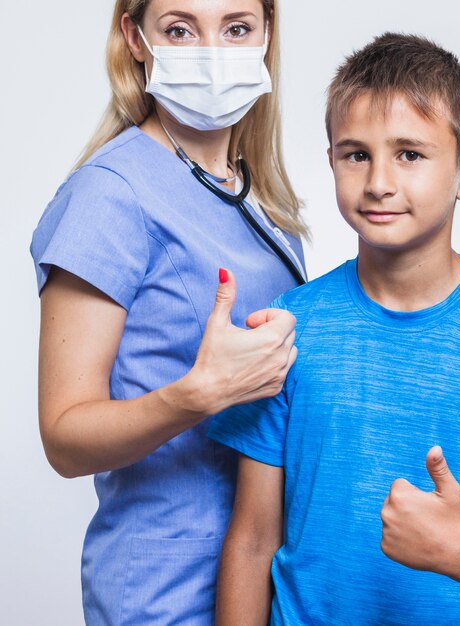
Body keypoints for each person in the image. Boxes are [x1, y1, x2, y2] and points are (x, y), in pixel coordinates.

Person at [208, 33, 460, 625]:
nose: (379, 181)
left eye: (409, 154)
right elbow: (252, 541)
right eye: (356, 154)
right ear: (331, 159)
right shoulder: (289, 325)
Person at [30, 0, 306, 624]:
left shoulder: (262, 204)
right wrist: (195, 395)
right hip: (167, 589)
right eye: (180, 30)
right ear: (135, 36)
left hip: (270, 584)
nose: (213, 52)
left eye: (238, 28)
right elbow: (64, 439)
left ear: (267, 35)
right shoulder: (110, 195)